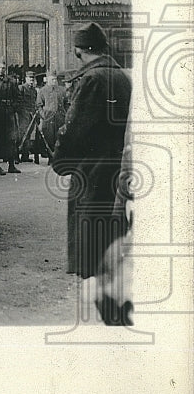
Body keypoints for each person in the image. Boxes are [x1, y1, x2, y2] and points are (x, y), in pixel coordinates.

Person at [51, 23, 132, 295]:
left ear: (79, 52)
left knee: (89, 239)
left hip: (92, 171)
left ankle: (95, 295)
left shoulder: (91, 79)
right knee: (111, 231)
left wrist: (60, 161)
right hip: (117, 169)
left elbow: (75, 128)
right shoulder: (121, 76)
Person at [0, 60, 22, 174]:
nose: (1, 70)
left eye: (3, 68)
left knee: (10, 140)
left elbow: (18, 97)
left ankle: (11, 165)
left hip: (8, 113)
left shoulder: (11, 82)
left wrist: (13, 108)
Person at [36, 67, 68, 163]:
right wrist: (43, 115)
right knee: (49, 138)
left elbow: (66, 103)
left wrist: (65, 114)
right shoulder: (42, 91)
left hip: (59, 118)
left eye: (55, 79)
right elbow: (38, 105)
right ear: (47, 79)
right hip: (48, 119)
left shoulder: (62, 90)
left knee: (59, 138)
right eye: (52, 79)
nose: (54, 81)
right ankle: (51, 158)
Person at [18, 71, 40, 164]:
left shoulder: (34, 90)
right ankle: (16, 156)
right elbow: (19, 102)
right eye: (29, 79)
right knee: (21, 134)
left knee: (28, 135)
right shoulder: (21, 88)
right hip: (23, 115)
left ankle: (25, 155)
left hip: (32, 115)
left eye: (32, 79)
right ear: (26, 79)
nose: (31, 80)